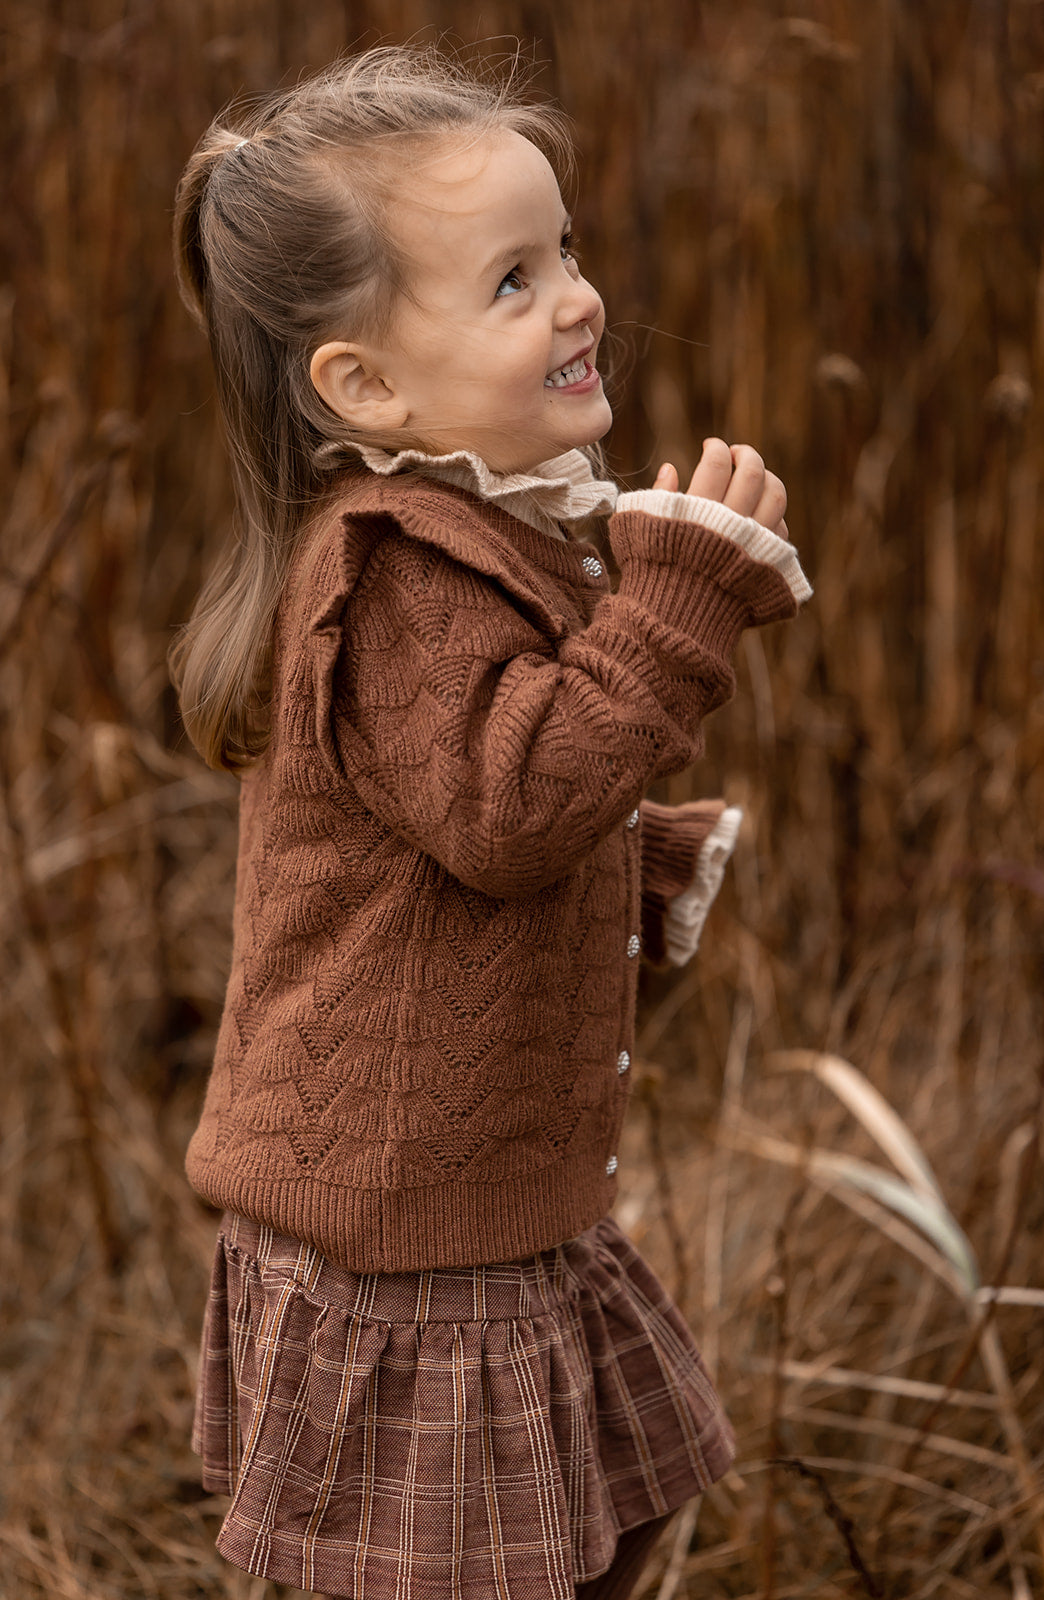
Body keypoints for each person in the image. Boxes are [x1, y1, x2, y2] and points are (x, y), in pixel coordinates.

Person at [171, 44, 812, 1600]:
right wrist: (673, 611)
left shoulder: (486, 531)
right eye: (512, 281)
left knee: (607, 1508)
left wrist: (638, 858)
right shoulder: (392, 565)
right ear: (366, 386)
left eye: (568, 250)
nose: (579, 296)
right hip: (406, 1238)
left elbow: (461, 827)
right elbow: (505, 806)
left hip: (491, 1200)